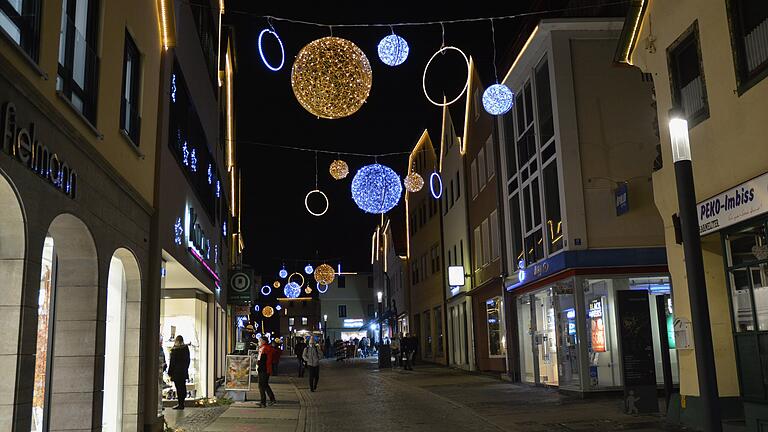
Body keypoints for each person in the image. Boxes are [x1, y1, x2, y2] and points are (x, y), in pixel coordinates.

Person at [167, 335, 190, 409]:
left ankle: (180, 404)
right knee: (182, 387)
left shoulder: (175, 350)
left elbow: (172, 363)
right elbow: (188, 360)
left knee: (178, 388)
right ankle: (182, 403)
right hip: (183, 372)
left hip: (176, 372)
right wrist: (185, 368)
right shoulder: (186, 349)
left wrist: (169, 372)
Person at [257, 336, 276, 408]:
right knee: (265, 385)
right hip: (266, 369)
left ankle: (263, 402)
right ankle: (272, 399)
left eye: (259, 341)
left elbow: (262, 360)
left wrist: (259, 367)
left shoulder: (264, 349)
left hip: (263, 369)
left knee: (261, 385)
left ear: (263, 341)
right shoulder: (266, 348)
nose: (258, 342)